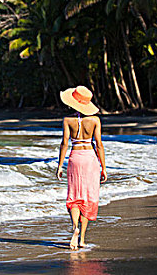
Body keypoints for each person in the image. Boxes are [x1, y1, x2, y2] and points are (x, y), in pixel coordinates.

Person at [56, 85, 107, 250]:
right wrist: (104, 167)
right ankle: (82, 239)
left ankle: (74, 228)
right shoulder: (95, 120)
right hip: (90, 159)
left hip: (75, 157)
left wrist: (59, 166)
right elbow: (99, 144)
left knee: (74, 196)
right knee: (87, 197)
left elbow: (64, 143)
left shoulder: (67, 120)